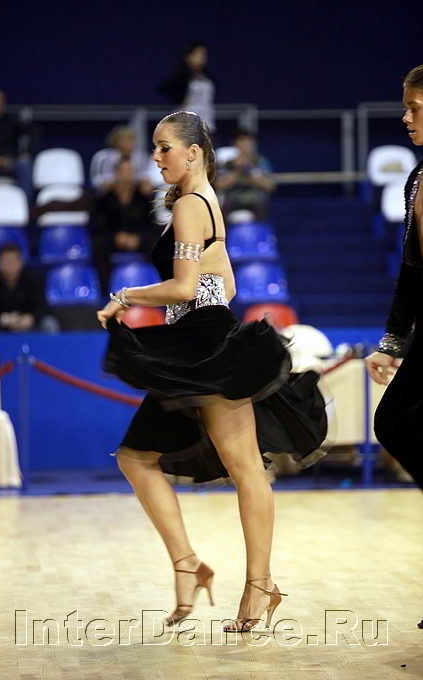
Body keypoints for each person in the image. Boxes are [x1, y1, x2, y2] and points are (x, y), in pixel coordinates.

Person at [97, 111, 327, 632]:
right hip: (202, 341)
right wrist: (196, 307)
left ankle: (253, 586)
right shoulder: (204, 202)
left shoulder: (189, 206)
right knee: (146, 458)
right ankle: (193, 568)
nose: (155, 157)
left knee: (233, 468)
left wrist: (124, 296)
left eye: (164, 147)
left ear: (193, 152)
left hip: (203, 347)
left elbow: (183, 287)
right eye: (155, 148)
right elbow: (225, 284)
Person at [364, 62, 423, 631]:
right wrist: (391, 341)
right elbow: (410, 273)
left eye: (415, 108)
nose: (405, 119)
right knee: (391, 423)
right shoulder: (417, 179)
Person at [91, 158, 159, 295]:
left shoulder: (143, 199)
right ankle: (105, 291)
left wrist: (138, 238)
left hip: (138, 240)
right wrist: (116, 237)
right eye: (123, 171)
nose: (126, 175)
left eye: (129, 171)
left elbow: (151, 226)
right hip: (112, 240)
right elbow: (98, 225)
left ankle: (156, 289)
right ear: (116, 173)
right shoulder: (104, 199)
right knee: (98, 245)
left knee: (158, 245)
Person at [0, 242, 59, 333]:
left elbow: (43, 307)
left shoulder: (33, 279)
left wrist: (30, 318)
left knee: (49, 323)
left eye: (13, 261)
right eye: (6, 262)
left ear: (21, 262)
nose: (10, 266)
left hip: (28, 326)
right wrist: (4, 318)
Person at [0, 88, 39, 201]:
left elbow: (35, 131)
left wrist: (27, 152)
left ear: (4, 104)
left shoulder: (11, 121)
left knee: (25, 165)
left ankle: (25, 206)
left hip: (11, 162)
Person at [214, 129, 275, 223]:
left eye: (248, 142)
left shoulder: (261, 162)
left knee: (262, 209)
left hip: (256, 200)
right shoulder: (227, 164)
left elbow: (270, 186)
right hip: (233, 200)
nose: (245, 145)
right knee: (221, 212)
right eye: (242, 141)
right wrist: (238, 170)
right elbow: (219, 185)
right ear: (235, 143)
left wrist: (248, 170)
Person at [158, 42, 217, 133]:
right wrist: (180, 99)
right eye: (198, 54)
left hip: (206, 120)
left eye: (203, 55)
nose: (202, 58)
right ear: (188, 56)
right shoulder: (181, 75)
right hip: (186, 122)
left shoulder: (207, 76)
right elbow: (163, 88)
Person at [90, 125, 152, 197]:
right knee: (107, 185)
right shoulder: (103, 156)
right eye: (128, 140)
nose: (131, 143)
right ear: (117, 141)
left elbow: (144, 175)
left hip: (134, 186)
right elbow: (96, 179)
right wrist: (117, 180)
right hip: (111, 186)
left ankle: (142, 203)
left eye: (133, 139)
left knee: (146, 186)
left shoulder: (142, 156)